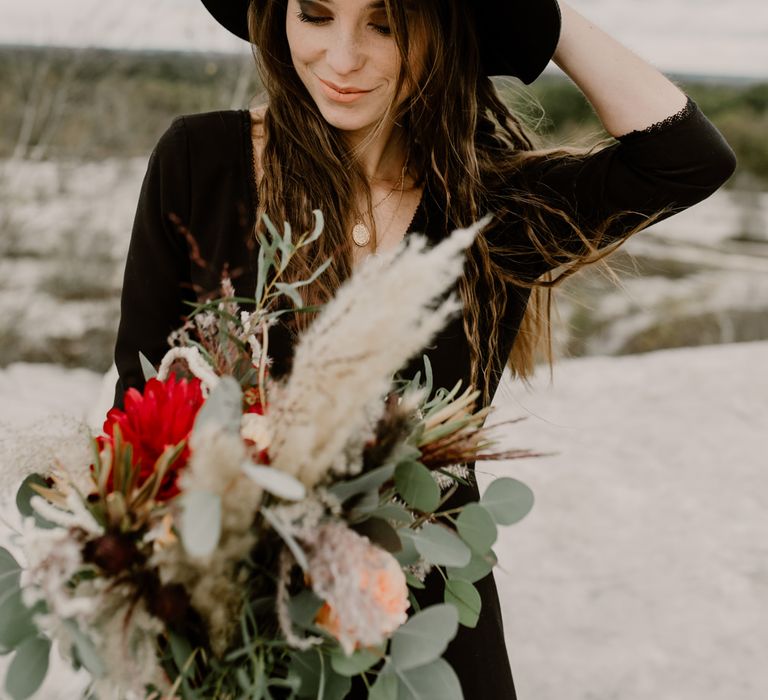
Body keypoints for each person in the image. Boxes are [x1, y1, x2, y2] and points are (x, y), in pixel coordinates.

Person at [113, 0, 736, 696]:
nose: (342, 58)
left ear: (444, 31)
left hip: (427, 634)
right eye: (314, 15)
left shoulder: (495, 206)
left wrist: (537, 20)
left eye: (385, 24)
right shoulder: (202, 162)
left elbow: (688, 159)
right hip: (238, 631)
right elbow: (139, 409)